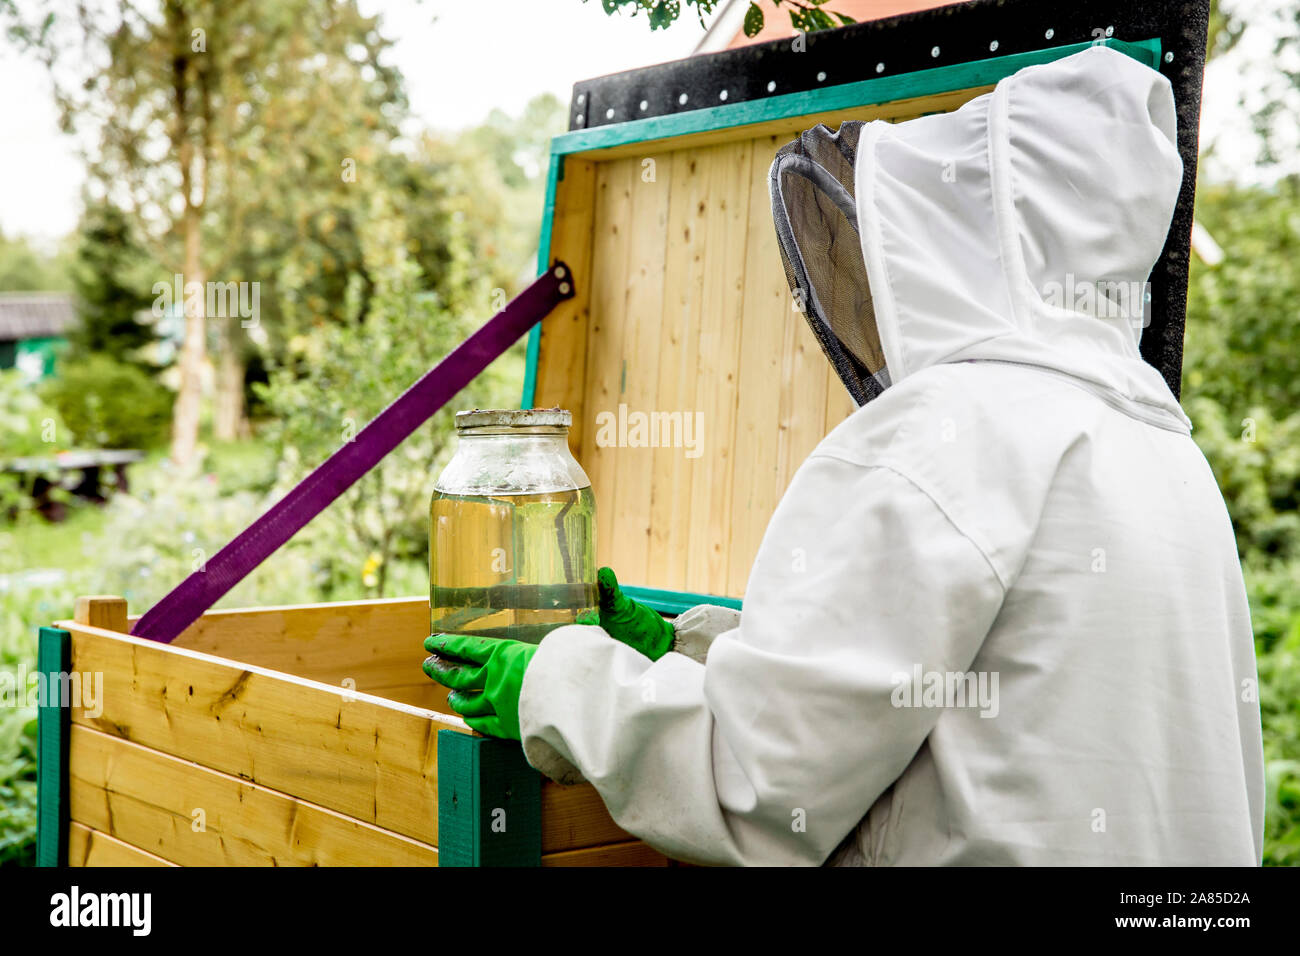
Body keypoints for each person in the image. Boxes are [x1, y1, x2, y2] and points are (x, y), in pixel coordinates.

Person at [423, 46, 1264, 866]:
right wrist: (679, 648)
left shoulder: (948, 431)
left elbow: (757, 787)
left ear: (962, 238)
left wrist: (556, 686)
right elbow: (906, 687)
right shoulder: (1161, 445)